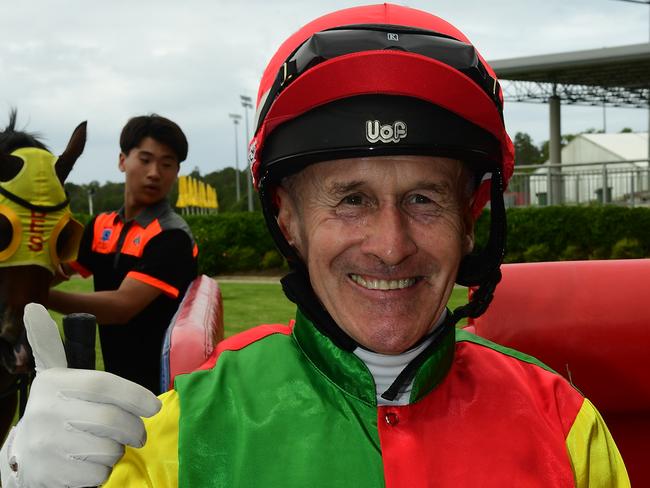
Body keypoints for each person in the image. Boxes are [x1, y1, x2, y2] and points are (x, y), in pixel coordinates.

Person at [1, 4, 629, 487]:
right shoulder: (177, 429)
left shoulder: (567, 426)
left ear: (473, 220)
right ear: (288, 220)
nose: (390, 246)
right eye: (350, 199)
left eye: (424, 199)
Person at [47, 114, 198, 393]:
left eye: (167, 164)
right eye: (145, 159)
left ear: (176, 172)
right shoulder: (101, 226)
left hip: (163, 391)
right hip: (117, 382)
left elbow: (121, 307)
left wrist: (35, 295)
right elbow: (57, 271)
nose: (155, 172)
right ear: (122, 161)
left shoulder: (172, 236)